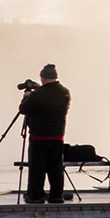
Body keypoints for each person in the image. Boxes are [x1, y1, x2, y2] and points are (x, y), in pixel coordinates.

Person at [19, 63, 71, 203]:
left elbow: (23, 109)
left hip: (39, 136)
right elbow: (50, 96)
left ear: (42, 78)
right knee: (56, 168)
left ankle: (36, 196)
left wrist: (27, 96)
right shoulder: (65, 92)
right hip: (58, 136)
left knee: (37, 168)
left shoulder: (39, 94)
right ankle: (56, 196)